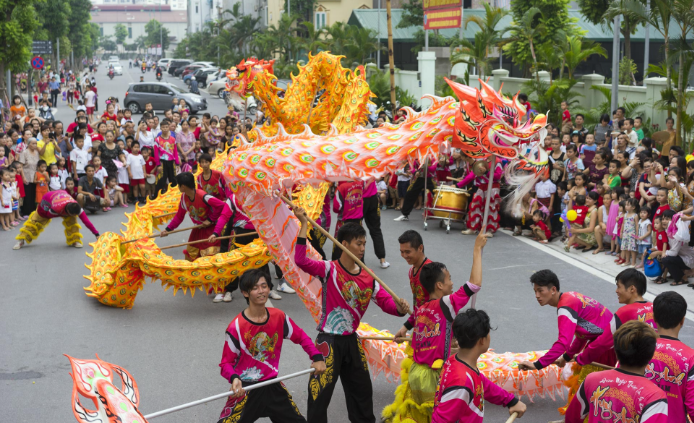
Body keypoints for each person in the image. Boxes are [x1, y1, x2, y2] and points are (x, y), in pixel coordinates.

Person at [293, 206, 410, 423]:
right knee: (319, 396)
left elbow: (386, 304)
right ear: (344, 244)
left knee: (362, 394)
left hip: (352, 341)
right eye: (359, 243)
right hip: (328, 341)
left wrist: (400, 309)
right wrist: (304, 225)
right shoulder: (329, 269)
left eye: (364, 244)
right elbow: (301, 261)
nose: (363, 248)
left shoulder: (369, 277)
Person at [385, 233, 489, 423]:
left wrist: (403, 328)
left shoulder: (422, 308)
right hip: (435, 376)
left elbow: (414, 319)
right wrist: (477, 249)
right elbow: (474, 284)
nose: (452, 283)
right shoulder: (447, 304)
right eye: (449, 279)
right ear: (440, 285)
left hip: (416, 373)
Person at [217, 269, 326, 423]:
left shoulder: (278, 317)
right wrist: (234, 378)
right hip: (246, 389)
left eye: (264, 286)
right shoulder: (236, 327)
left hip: (272, 385)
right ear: (245, 293)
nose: (261, 291)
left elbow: (301, 336)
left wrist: (317, 357)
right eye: (255, 288)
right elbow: (226, 363)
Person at [431, 309, 527, 422]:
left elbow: (481, 384)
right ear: (482, 340)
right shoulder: (461, 384)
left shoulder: (457, 361)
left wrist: (511, 401)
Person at [564, 320, 668, 422]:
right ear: (651, 355)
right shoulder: (655, 396)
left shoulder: (591, 380)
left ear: (616, 352)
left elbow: (571, 419)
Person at [518, 269, 614, 371]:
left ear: (553, 290)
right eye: (535, 291)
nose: (536, 295)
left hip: (605, 347)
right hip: (606, 343)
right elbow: (582, 336)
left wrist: (537, 365)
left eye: (540, 291)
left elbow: (563, 342)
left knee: (592, 385)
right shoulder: (570, 296)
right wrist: (566, 357)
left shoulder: (566, 307)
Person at [572, 269, 655, 368]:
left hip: (635, 367)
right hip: (656, 364)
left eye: (619, 287)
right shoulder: (655, 308)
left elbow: (603, 343)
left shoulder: (624, 312)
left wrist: (582, 358)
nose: (616, 291)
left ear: (632, 289)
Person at [160, 172, 232, 261]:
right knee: (192, 256)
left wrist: (210, 220)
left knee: (209, 258)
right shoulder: (183, 198)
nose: (178, 187)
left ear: (183, 187)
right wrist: (167, 230)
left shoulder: (203, 196)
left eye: (178, 185)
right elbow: (179, 216)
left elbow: (221, 205)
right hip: (197, 230)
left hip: (211, 230)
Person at [647, 291, 694, 421]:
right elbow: (692, 405)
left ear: (654, 318)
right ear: (682, 320)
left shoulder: (637, 347)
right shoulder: (691, 358)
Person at [13, 189, 100, 250]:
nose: (75, 215)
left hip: (62, 195)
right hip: (46, 202)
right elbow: (47, 216)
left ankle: (74, 240)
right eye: (73, 214)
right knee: (35, 223)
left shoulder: (76, 207)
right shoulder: (55, 208)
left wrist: (97, 234)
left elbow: (87, 222)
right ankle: (21, 240)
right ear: (68, 211)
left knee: (72, 222)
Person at [459, 159, 503, 235]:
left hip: (493, 186)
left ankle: (489, 230)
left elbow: (498, 176)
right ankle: (473, 228)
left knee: (491, 208)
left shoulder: (497, 161)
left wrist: (486, 172)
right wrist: (458, 185)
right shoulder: (483, 161)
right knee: (475, 205)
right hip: (482, 185)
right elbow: (472, 175)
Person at [398, 230, 434, 308]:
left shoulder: (431, 271)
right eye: (402, 252)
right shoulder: (411, 271)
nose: (404, 255)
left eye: (408, 252)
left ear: (420, 248)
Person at [331, 180, 364, 261]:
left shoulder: (342, 187)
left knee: (340, 245)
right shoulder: (360, 184)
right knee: (359, 244)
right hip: (358, 221)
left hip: (344, 222)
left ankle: (338, 267)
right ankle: (359, 266)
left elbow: (336, 207)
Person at [362, 180, 390, 268]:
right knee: (376, 229)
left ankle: (360, 263)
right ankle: (382, 260)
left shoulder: (355, 168)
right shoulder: (371, 167)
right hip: (372, 198)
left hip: (360, 199)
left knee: (357, 230)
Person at [153, 119, 179, 194]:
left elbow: (175, 152)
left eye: (166, 127)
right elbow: (155, 153)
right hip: (162, 162)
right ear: (160, 128)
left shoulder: (173, 139)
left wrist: (177, 163)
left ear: (169, 128)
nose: (165, 129)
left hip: (171, 162)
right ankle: (156, 197)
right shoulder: (157, 140)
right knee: (161, 181)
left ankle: (174, 196)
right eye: (163, 127)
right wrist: (158, 165)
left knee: (173, 180)